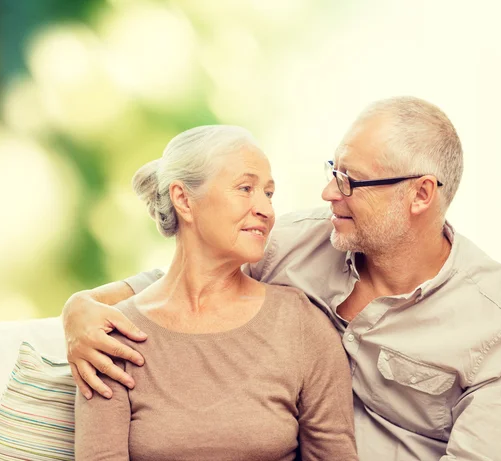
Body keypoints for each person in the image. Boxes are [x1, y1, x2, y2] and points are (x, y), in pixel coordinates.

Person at [65, 97, 501, 461]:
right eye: (333, 170)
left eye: (351, 180)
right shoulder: (297, 242)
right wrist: (80, 307)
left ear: (420, 195)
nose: (328, 192)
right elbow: (194, 280)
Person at [73, 125, 358, 461]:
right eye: (245, 188)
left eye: (268, 193)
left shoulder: (301, 324)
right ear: (183, 200)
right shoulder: (111, 337)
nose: (265, 210)